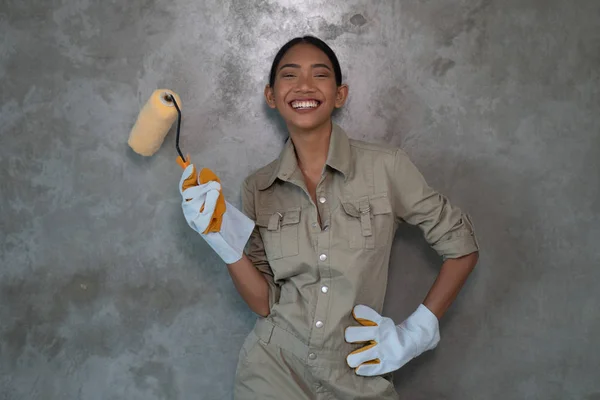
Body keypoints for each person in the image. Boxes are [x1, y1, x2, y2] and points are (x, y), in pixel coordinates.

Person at [179, 36, 480, 400]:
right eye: (289, 75)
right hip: (274, 369)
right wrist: (223, 243)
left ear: (340, 94)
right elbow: (264, 302)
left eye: (319, 75)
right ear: (271, 96)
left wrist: (417, 331)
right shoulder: (258, 186)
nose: (304, 85)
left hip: (357, 371)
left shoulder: (387, 166)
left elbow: (461, 246)